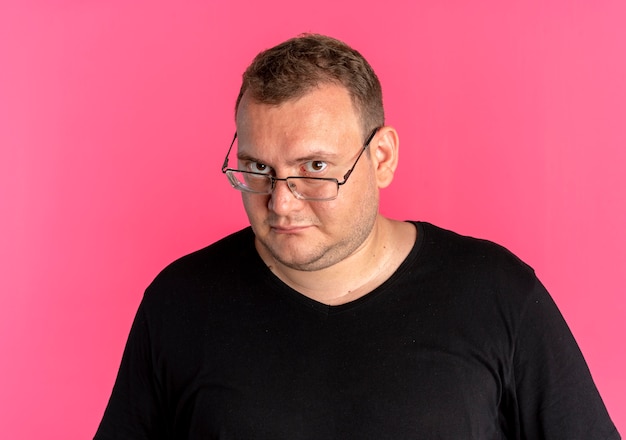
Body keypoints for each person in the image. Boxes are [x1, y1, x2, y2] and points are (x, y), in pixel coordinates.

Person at [94, 34, 620, 439]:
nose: (280, 202)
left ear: (382, 157)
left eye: (315, 166)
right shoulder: (178, 304)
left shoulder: (499, 294)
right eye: (257, 167)